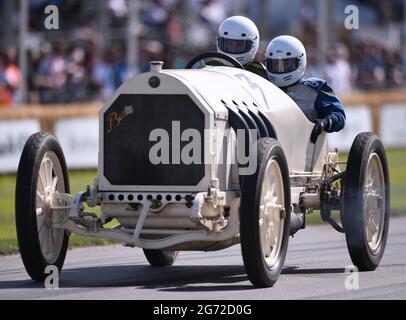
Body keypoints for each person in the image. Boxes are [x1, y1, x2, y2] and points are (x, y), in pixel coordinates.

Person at [265, 35, 346, 143]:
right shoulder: (263, 86)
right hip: (267, 146)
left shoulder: (317, 88)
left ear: (300, 62)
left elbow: (339, 115)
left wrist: (325, 122)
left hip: (304, 150)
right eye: (275, 65)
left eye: (286, 64)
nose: (280, 69)